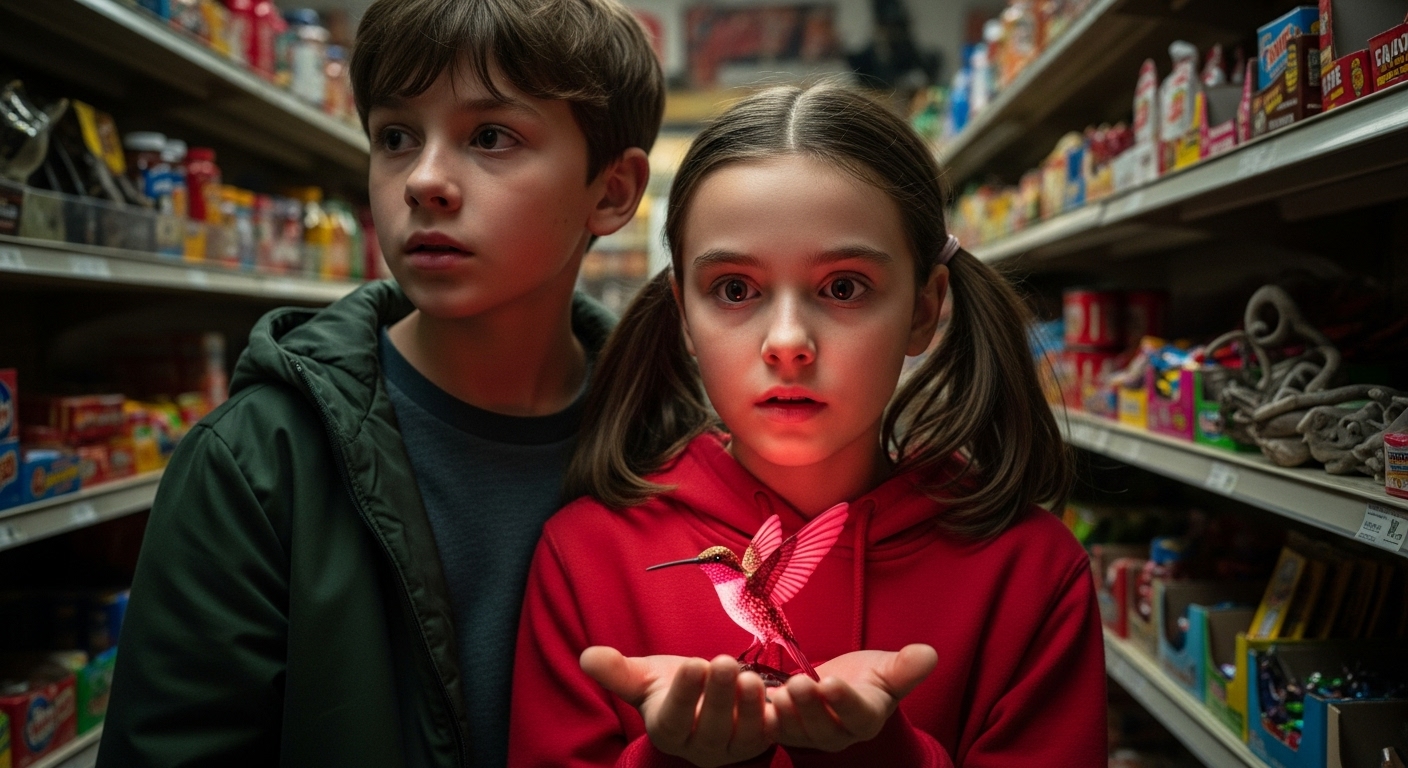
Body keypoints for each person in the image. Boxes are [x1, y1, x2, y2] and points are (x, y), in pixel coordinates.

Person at [97, 0, 662, 765]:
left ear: (613, 191)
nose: (423, 181)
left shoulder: (678, 452)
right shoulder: (257, 464)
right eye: (396, 136)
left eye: (490, 137)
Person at [510, 81, 1106, 767]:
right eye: (735, 290)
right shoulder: (586, 556)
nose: (788, 342)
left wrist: (887, 758)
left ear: (923, 308)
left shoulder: (1034, 572)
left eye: (843, 288)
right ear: (684, 317)